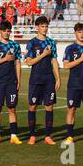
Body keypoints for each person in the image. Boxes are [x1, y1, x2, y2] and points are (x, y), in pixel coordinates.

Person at [24, 16, 61, 145]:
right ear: (37, 28)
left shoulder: (51, 43)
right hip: (35, 79)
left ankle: (48, 136)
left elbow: (54, 61)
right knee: (33, 106)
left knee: (49, 106)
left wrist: (58, 78)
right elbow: (28, 62)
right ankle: (32, 135)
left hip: (49, 79)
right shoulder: (32, 43)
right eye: (42, 26)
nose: (44, 28)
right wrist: (43, 54)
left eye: (46, 26)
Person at [0, 21, 22, 145]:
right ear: (0, 31)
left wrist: (19, 80)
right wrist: (4, 59)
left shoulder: (15, 46)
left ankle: (13, 135)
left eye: (8, 31)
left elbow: (18, 63)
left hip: (11, 82)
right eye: (4, 31)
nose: (6, 33)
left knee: (12, 108)